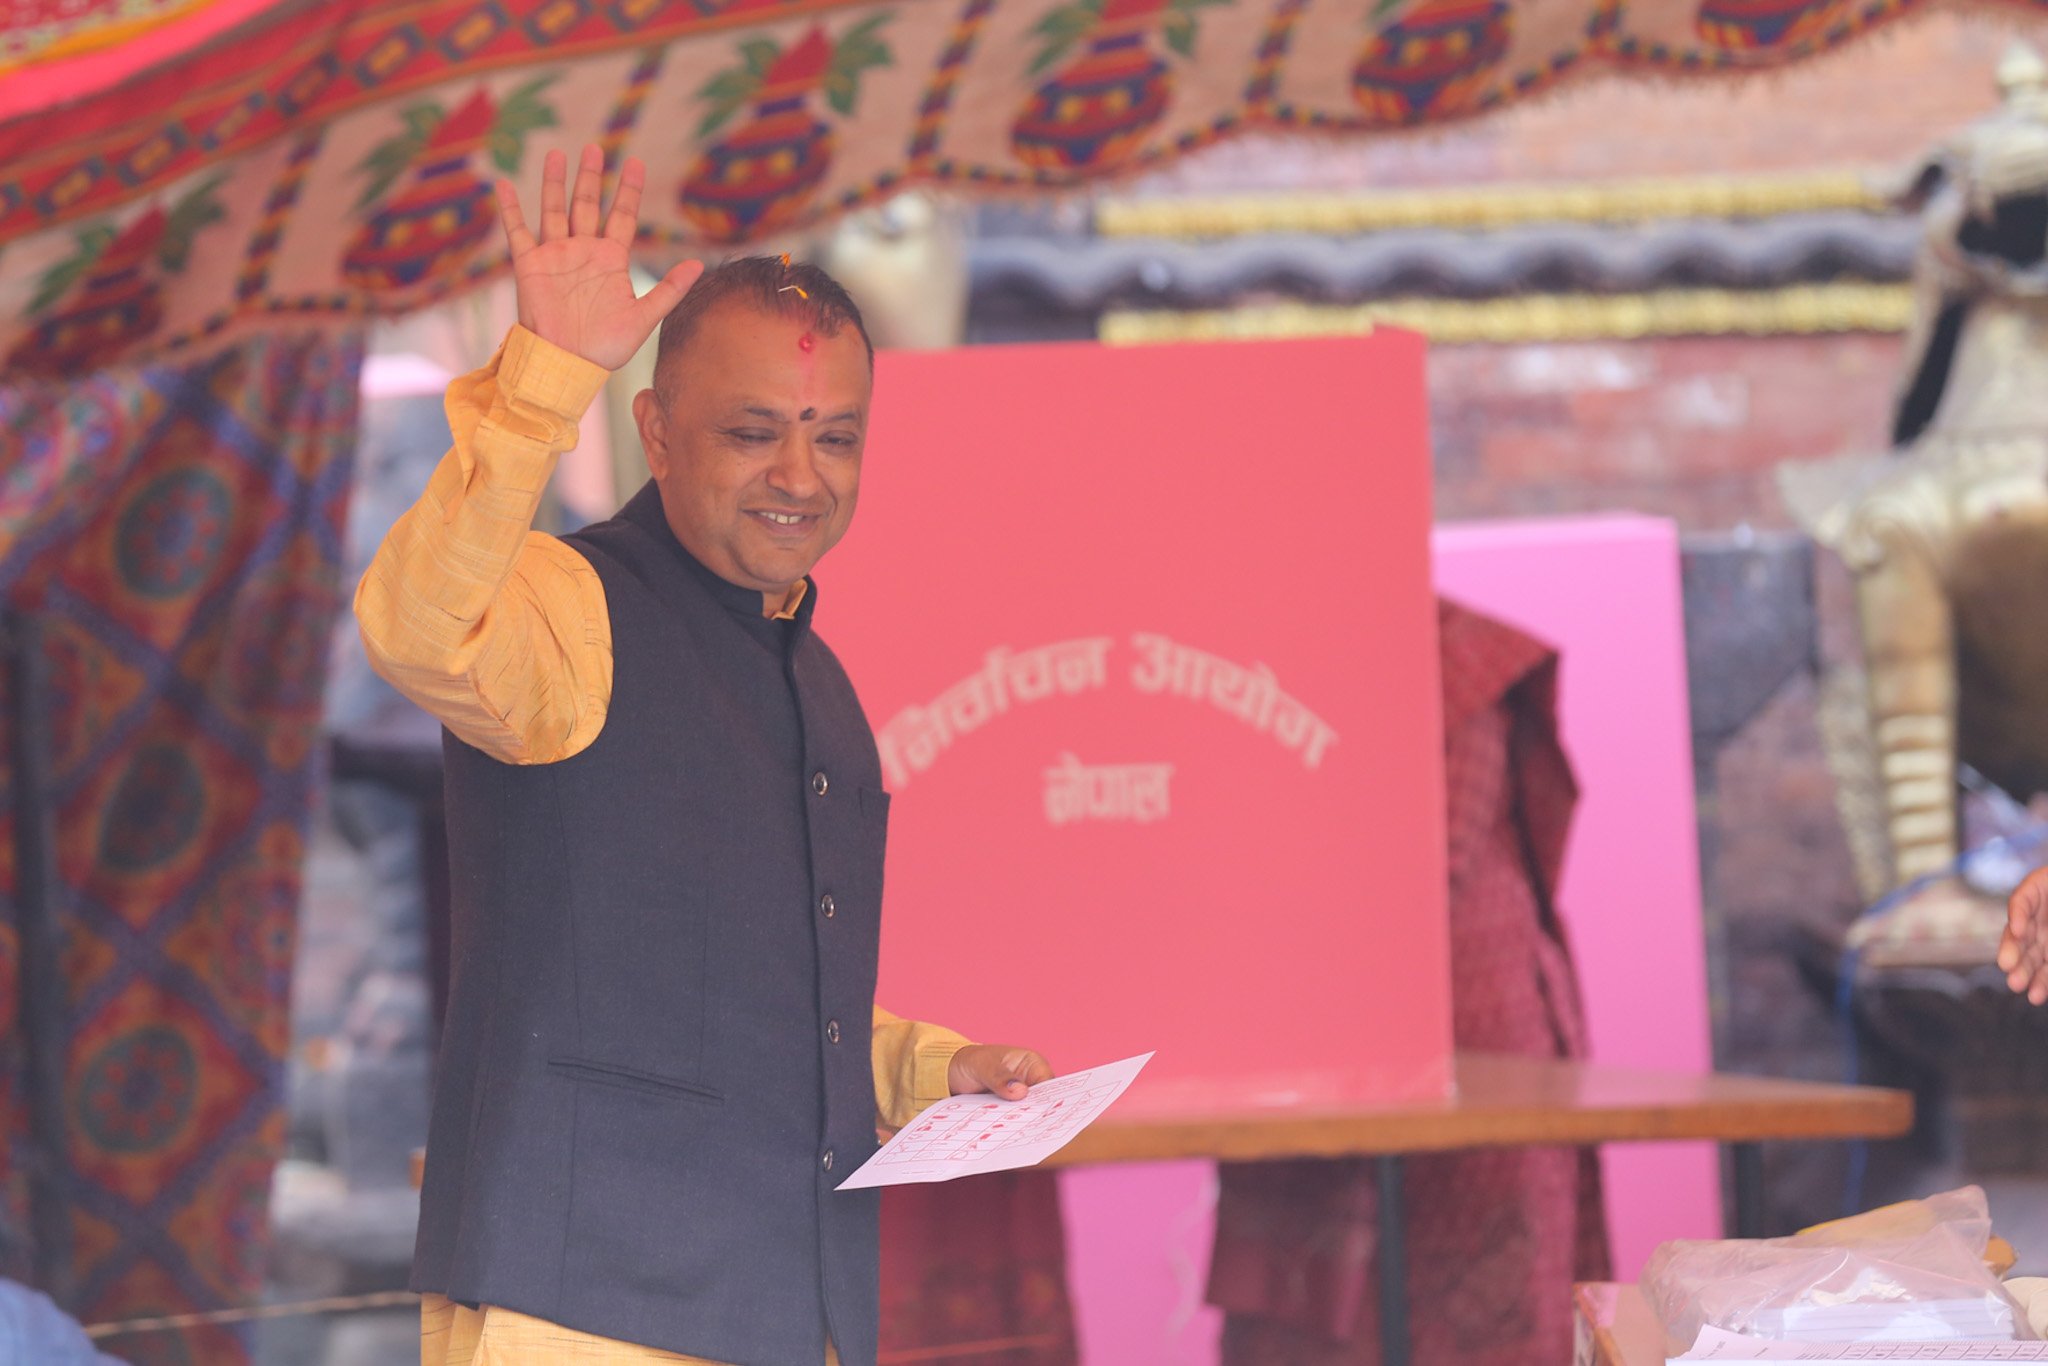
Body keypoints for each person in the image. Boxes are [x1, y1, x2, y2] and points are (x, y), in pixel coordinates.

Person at [355, 143, 1053, 1366]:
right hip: (583, 1313)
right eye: (752, 431)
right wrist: (544, 377)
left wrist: (928, 1070)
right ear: (657, 432)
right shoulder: (575, 607)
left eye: (834, 438)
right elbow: (418, 628)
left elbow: (743, 1002)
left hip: (780, 1306)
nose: (798, 476)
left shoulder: (813, 678)